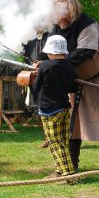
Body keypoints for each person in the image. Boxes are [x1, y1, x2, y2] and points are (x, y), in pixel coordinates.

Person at [50, 0, 99, 177]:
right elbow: (50, 49)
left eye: (63, 11)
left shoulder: (87, 25)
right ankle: (71, 166)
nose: (60, 16)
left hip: (98, 77)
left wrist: (58, 65)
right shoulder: (55, 27)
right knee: (73, 125)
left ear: (72, 9)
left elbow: (86, 51)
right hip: (74, 80)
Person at [32, 35, 77, 179]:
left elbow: (35, 87)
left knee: (55, 143)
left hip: (49, 110)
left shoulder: (45, 65)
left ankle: (68, 174)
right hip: (64, 108)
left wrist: (35, 74)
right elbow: (72, 87)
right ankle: (59, 171)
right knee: (63, 142)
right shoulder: (70, 66)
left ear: (50, 51)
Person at [21, 28, 49, 148]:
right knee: (39, 108)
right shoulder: (29, 38)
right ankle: (47, 138)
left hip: (48, 75)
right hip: (34, 77)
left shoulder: (50, 36)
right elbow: (25, 56)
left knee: (51, 107)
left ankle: (57, 137)